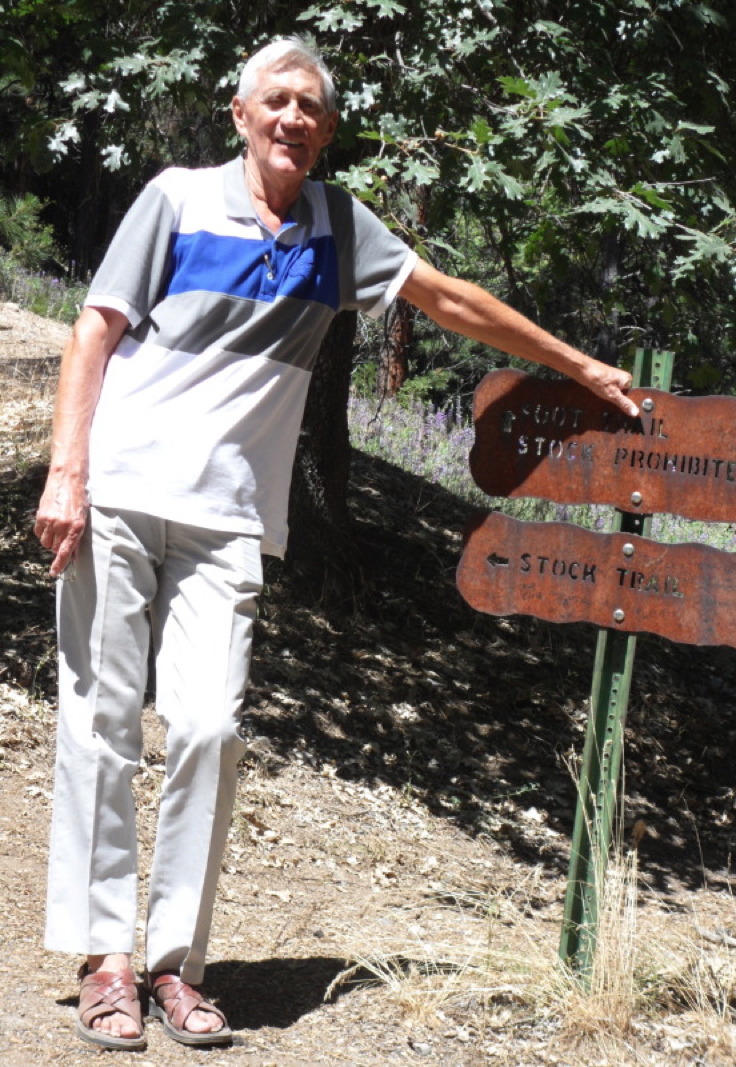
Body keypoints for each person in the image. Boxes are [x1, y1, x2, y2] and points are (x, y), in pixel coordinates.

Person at [34, 36, 638, 1050]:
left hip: (229, 516)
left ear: (325, 129)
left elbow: (445, 298)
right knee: (98, 720)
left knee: (210, 730)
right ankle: (105, 960)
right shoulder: (177, 199)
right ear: (239, 112)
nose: (292, 120)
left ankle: (178, 965)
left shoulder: (337, 227)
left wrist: (575, 364)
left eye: (310, 107)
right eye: (276, 101)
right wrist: (67, 471)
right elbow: (93, 329)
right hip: (124, 491)